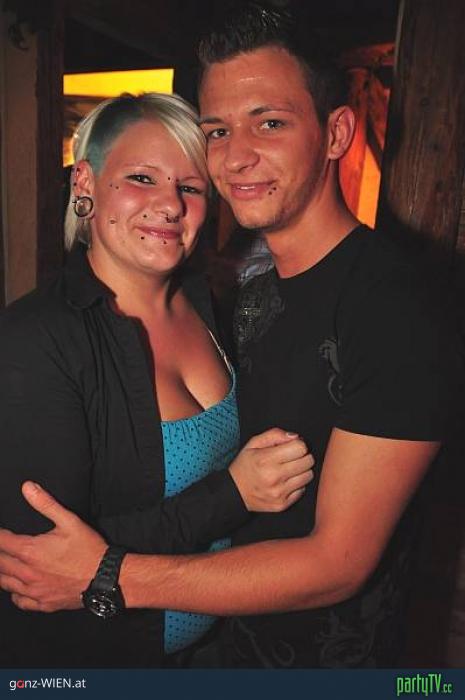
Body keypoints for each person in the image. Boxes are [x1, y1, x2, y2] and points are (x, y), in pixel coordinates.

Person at [0, 3, 461, 668]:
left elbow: (339, 564)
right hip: (206, 654)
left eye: (269, 122)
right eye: (217, 130)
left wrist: (110, 574)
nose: (236, 157)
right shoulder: (243, 299)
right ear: (86, 183)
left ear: (335, 133)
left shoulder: (399, 307)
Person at [0, 91, 314, 668]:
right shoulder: (34, 340)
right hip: (100, 663)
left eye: (190, 187)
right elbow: (42, 560)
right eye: (142, 178)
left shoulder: (206, 301)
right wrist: (233, 495)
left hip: (217, 648)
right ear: (86, 183)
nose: (170, 205)